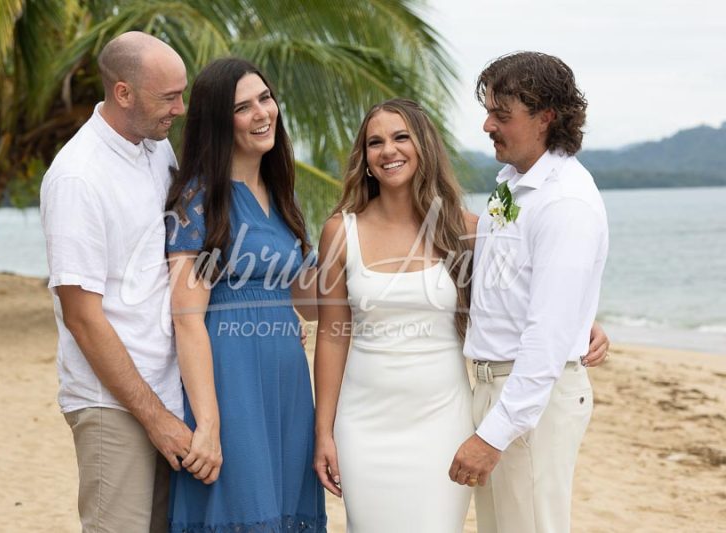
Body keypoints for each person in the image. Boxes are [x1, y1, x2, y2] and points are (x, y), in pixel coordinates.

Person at [312, 98, 610, 532]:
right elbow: (333, 334)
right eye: (374, 142)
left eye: (400, 137)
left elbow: (518, 292)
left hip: (443, 418)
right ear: (365, 158)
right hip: (362, 422)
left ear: (424, 146)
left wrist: (582, 322)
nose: (388, 150)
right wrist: (324, 432)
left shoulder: (467, 228)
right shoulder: (340, 231)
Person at [164, 57, 327, 532]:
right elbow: (187, 319)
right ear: (218, 121)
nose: (262, 113)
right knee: (242, 512)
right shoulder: (198, 199)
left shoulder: (283, 198)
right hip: (230, 381)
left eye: (265, 98)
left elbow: (310, 305)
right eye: (243, 107)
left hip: (289, 384)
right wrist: (208, 424)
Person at [449, 51, 609, 533]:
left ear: (546, 118)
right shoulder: (517, 185)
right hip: (497, 386)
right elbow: (514, 276)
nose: (486, 125)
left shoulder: (565, 202)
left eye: (502, 115)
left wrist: (492, 437)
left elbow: (545, 338)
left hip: (528, 399)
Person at [40, 32, 190, 532]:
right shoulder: (78, 177)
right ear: (123, 92)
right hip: (114, 406)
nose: (181, 108)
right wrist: (155, 418)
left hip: (168, 395)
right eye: (168, 97)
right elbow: (83, 318)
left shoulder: (157, 149)